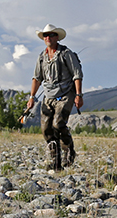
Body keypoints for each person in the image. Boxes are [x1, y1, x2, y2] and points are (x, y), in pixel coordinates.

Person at [24, 23, 82, 171]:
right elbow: (36, 78)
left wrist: (78, 95)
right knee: (46, 129)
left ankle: (69, 152)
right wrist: (32, 97)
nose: (48, 37)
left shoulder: (66, 54)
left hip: (65, 95)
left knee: (58, 124)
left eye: (51, 35)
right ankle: (56, 162)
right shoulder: (42, 57)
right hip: (48, 97)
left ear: (57, 37)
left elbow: (77, 75)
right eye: (45, 35)